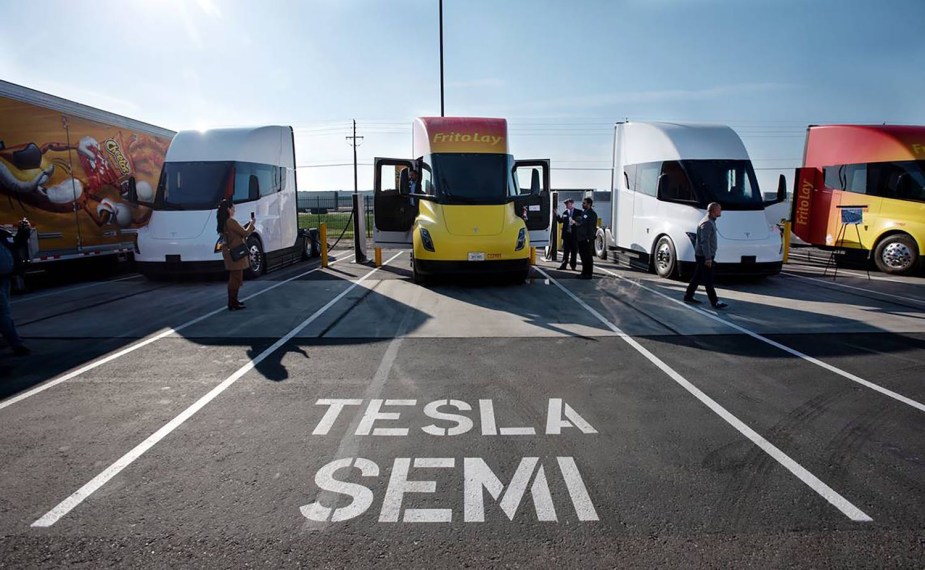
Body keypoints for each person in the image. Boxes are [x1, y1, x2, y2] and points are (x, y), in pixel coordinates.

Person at [684, 202, 728, 309]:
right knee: (708, 280)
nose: (720, 211)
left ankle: (688, 296)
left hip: (704, 255)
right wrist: (708, 258)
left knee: (697, 277)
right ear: (713, 211)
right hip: (704, 256)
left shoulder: (710, 221)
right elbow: (705, 242)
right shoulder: (707, 223)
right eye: (719, 209)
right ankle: (715, 302)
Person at [1, 218, 32, 356]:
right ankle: (16, 344)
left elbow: (15, 244)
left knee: (4, 312)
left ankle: (14, 342)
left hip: (4, 279)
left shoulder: (2, 234)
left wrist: (24, 232)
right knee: (3, 314)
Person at [217, 199, 255, 311]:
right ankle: (232, 302)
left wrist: (247, 226)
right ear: (228, 209)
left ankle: (233, 301)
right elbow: (245, 233)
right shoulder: (231, 222)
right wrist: (252, 224)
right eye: (233, 208)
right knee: (236, 277)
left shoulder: (224, 222)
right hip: (235, 252)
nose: (234, 210)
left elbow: (237, 232)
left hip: (229, 252)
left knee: (235, 276)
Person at [575, 197, 598, 279]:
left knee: (588, 256)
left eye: (584, 203)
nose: (582, 204)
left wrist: (589, 237)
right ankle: (584, 273)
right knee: (583, 256)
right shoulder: (583, 212)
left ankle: (588, 274)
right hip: (581, 238)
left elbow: (591, 227)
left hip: (587, 238)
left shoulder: (592, 214)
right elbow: (582, 223)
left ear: (589, 204)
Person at [556, 198, 581, 270]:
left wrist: (575, 222)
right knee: (566, 251)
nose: (566, 205)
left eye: (567, 204)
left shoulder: (578, 212)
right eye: (565, 204)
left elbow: (580, 222)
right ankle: (563, 265)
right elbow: (561, 221)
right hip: (567, 235)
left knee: (574, 251)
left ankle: (573, 266)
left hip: (574, 235)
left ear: (571, 203)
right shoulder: (565, 213)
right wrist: (556, 214)